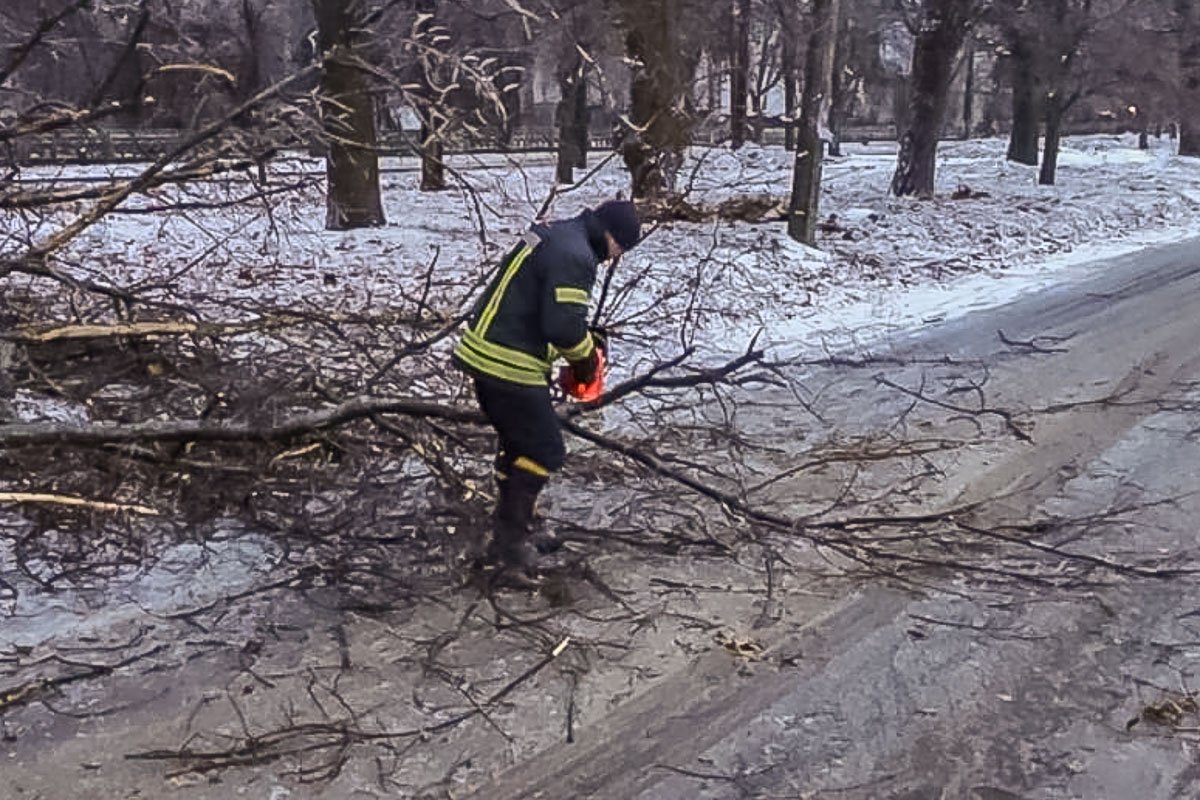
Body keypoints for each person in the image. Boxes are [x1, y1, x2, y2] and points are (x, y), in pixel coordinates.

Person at [452, 199, 642, 575]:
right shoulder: (577, 255)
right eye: (621, 250)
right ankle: (511, 544)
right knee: (545, 449)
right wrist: (586, 360)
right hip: (508, 362)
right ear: (614, 239)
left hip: (485, 350)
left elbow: (533, 303)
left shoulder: (553, 233)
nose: (615, 258)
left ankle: (512, 526)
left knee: (518, 443)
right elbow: (562, 328)